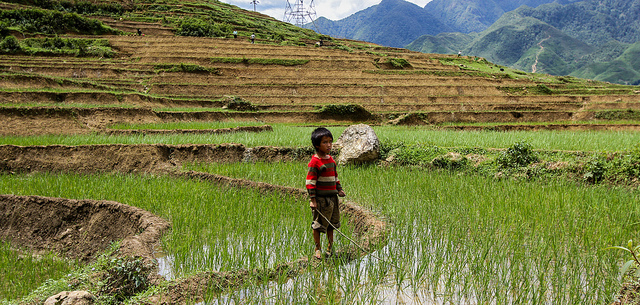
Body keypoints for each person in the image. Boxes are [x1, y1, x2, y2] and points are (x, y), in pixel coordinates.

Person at [306, 127, 346, 260]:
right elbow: (310, 182)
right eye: (325, 142)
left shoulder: (331, 160)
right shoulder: (315, 162)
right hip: (321, 198)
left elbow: (335, 177)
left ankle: (330, 246)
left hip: (333, 198)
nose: (329, 145)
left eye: (330, 141)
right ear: (317, 145)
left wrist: (339, 189)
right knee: (318, 224)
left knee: (332, 224)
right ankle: (317, 248)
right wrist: (313, 200)